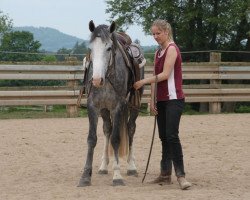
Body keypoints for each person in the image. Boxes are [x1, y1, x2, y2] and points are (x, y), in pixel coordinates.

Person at [133, 19, 192, 190]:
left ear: (166, 32)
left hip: (174, 99)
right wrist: (152, 101)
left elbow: (165, 75)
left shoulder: (172, 49)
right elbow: (155, 80)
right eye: (153, 34)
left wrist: (142, 81)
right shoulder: (158, 52)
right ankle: (165, 174)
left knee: (172, 136)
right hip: (162, 100)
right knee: (164, 138)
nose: (155, 36)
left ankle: (181, 175)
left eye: (158, 33)